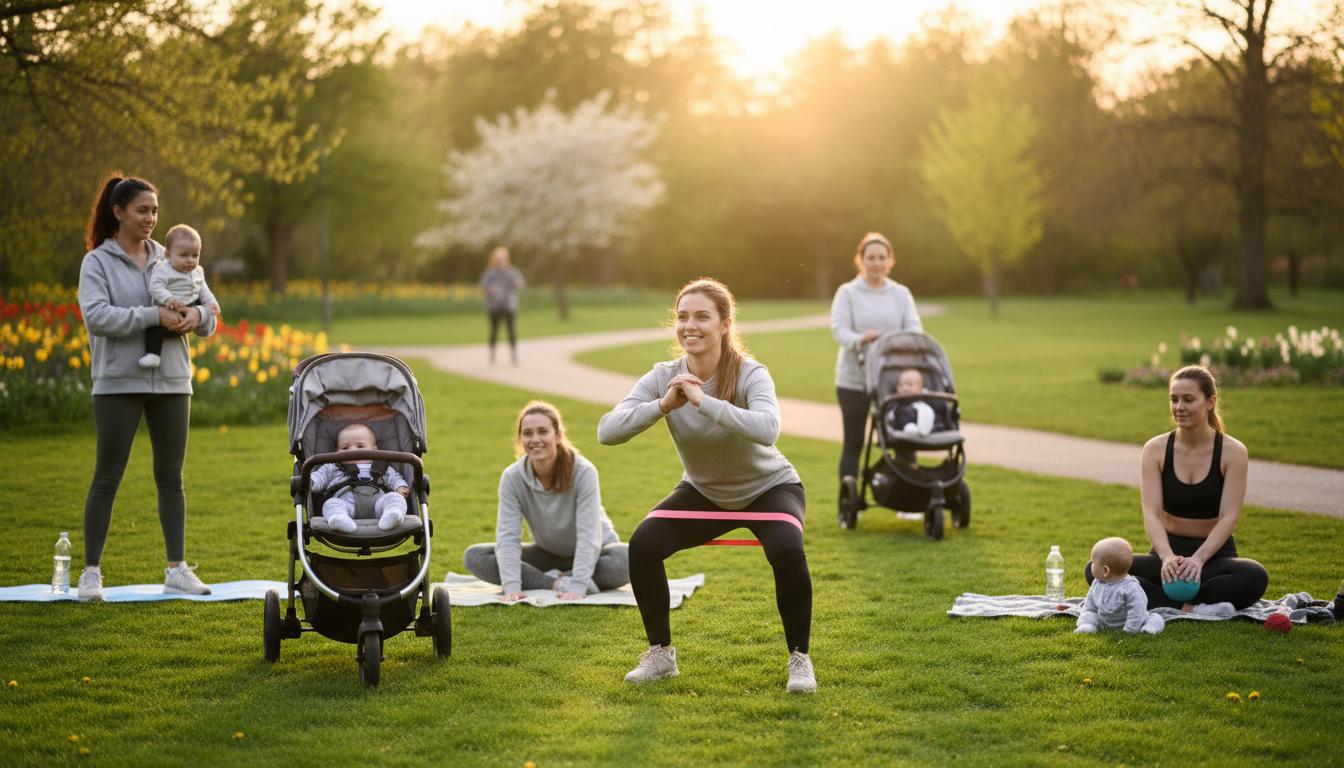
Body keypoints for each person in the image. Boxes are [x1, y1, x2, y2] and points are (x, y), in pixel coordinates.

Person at [598, 278, 816, 693]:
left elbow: (768, 429)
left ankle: (799, 660)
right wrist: (665, 405)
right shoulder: (663, 377)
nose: (689, 325)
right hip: (705, 491)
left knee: (786, 548)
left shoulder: (751, 373)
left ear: (724, 324)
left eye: (702, 316)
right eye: (682, 317)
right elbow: (607, 431)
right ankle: (661, 654)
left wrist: (705, 403)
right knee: (644, 544)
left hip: (770, 486)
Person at [76, 173, 217, 601]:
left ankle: (176, 568)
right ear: (118, 212)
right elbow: (98, 317)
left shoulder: (172, 254)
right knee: (107, 477)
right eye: (142, 210)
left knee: (171, 478)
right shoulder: (97, 263)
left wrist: (199, 319)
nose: (151, 218)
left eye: (155, 210)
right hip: (118, 382)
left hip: (173, 381)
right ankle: (91, 572)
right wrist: (153, 317)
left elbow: (210, 306)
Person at [1086, 365, 1269, 616]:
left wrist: (1198, 560)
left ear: (1210, 402)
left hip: (1213, 557)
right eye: (1174, 399)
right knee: (1097, 569)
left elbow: (1229, 517)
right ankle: (1193, 608)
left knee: (1254, 576)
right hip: (1166, 554)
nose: (1179, 407)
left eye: (1188, 399)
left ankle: (1160, 599)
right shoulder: (1155, 449)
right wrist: (1168, 558)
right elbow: (1151, 514)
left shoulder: (1233, 452)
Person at [464, 401, 628, 600]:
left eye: (543, 431)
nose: (535, 439)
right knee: (476, 556)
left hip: (598, 552)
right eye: (527, 433)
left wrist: (578, 586)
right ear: (520, 439)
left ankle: (572, 578)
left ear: (558, 435)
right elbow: (508, 537)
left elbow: (589, 536)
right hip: (547, 554)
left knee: (629, 557)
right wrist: (511, 587)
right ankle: (555, 582)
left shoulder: (584, 472)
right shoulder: (512, 477)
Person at [831, 232, 922, 488]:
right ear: (860, 261)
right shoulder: (847, 292)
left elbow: (915, 330)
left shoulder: (901, 294)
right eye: (870, 257)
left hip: (893, 381)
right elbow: (840, 330)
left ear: (890, 261)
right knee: (854, 442)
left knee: (903, 438)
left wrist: (894, 342)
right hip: (854, 380)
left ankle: (908, 499)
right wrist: (862, 339)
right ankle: (848, 501)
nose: (876, 263)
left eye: (882, 257)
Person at [140, 223, 220, 368]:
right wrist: (169, 299)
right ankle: (153, 354)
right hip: (168, 307)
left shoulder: (197, 272)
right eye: (184, 255)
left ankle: (185, 323)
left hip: (189, 307)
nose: (190, 260)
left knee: (199, 299)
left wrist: (211, 305)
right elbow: (155, 287)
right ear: (168, 254)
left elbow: (205, 291)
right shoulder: (163, 269)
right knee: (153, 328)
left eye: (195, 255)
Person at [309, 423, 410, 533]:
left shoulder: (381, 467)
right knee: (331, 504)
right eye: (345, 447)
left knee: (394, 498)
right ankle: (339, 520)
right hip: (345, 505)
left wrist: (400, 487)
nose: (352, 450)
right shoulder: (332, 467)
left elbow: (395, 478)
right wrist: (311, 482)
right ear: (337, 452)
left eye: (360, 446)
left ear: (374, 450)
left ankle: (392, 515)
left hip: (378, 505)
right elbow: (319, 477)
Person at [1075, 537, 1164, 635]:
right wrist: (1087, 617)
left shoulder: (1130, 588)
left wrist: (1129, 630)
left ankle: (1148, 629)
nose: (1091, 565)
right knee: (1087, 614)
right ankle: (1088, 626)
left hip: (1126, 622)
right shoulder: (1097, 583)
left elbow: (1137, 611)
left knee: (1155, 618)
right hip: (1103, 621)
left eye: (1093, 562)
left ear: (1105, 571)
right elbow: (1089, 605)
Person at [478, 245, 525, 365]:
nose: (500, 260)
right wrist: (490, 289)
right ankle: (492, 355)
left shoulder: (512, 271)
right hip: (494, 306)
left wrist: (514, 283)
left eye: (502, 258)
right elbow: (482, 285)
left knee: (511, 331)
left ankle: (514, 355)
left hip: (509, 305)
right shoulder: (490, 272)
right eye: (498, 258)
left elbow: (520, 284)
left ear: (506, 258)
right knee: (494, 331)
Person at [883, 368, 950, 438]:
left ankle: (924, 424)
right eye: (900, 385)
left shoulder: (927, 397)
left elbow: (942, 407)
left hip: (928, 419)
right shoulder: (897, 401)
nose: (905, 388)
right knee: (901, 414)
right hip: (905, 423)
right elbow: (890, 413)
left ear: (921, 387)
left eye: (910, 384)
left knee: (932, 414)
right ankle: (911, 429)